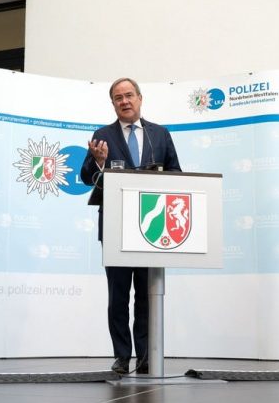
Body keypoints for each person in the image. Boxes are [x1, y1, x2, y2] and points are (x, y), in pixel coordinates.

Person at [80, 77, 181, 374]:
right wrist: (99, 163)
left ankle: (147, 357)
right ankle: (122, 356)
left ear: (140, 98)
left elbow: (176, 172)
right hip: (116, 228)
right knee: (119, 296)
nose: (124, 101)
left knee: (147, 296)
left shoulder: (159, 134)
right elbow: (85, 177)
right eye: (118, 98)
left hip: (152, 228)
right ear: (113, 103)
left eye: (128, 95)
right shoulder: (102, 135)